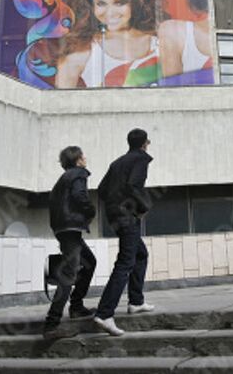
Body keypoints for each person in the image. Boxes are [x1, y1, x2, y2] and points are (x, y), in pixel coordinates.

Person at [55, 0, 211, 88]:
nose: (110, 13)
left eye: (119, 3)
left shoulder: (162, 41)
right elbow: (60, 109)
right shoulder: (80, 54)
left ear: (137, 3)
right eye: (101, 4)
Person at [94, 128, 155, 336]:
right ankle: (104, 313)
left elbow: (102, 190)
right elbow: (133, 186)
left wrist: (115, 207)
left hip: (116, 217)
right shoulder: (140, 159)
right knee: (126, 262)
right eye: (148, 141)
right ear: (144, 143)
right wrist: (144, 207)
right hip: (127, 217)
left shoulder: (117, 162)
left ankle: (136, 301)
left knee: (140, 254)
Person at [43, 146, 97, 340]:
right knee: (68, 274)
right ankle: (51, 324)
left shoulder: (62, 179)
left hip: (62, 229)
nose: (85, 157)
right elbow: (80, 197)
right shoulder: (78, 174)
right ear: (77, 159)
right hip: (70, 228)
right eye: (83, 155)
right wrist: (91, 212)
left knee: (89, 262)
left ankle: (76, 307)